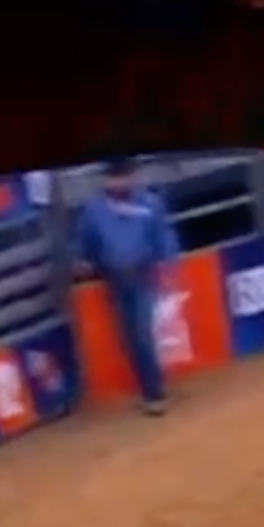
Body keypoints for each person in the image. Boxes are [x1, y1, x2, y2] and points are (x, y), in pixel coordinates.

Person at [74, 160, 180, 417]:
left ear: (133, 177)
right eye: (113, 176)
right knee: (129, 338)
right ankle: (151, 388)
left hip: (144, 275)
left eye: (123, 176)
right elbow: (83, 243)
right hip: (115, 278)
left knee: (141, 334)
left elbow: (164, 238)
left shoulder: (150, 203)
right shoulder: (94, 209)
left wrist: (168, 268)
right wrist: (82, 262)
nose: (118, 182)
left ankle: (154, 393)